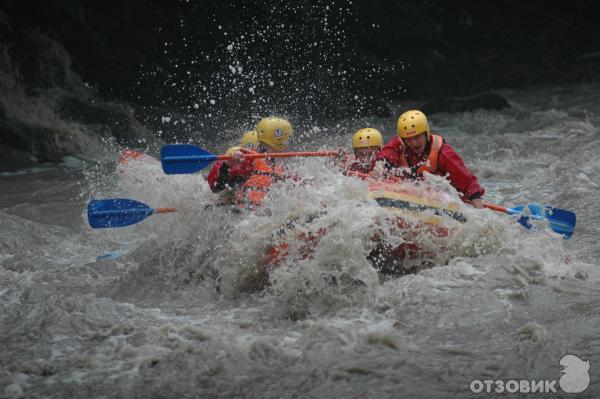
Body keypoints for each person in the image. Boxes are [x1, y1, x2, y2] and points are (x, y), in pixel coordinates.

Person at [373, 110, 485, 208]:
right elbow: (387, 152)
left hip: (439, 198)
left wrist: (480, 212)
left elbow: (469, 183)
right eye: (409, 139)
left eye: (417, 137)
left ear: (426, 134)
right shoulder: (400, 144)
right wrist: (380, 165)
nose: (413, 143)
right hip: (409, 194)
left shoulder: (443, 153)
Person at [207, 117, 293, 208]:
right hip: (239, 213)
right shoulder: (248, 158)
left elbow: (296, 182)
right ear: (278, 140)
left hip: (260, 214)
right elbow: (216, 187)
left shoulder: (278, 166)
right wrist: (227, 164)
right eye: (287, 140)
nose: (289, 144)